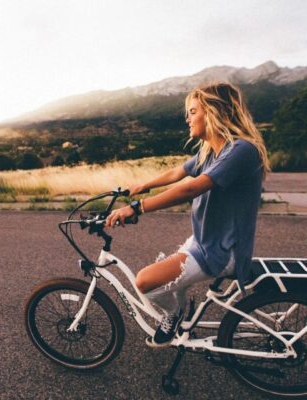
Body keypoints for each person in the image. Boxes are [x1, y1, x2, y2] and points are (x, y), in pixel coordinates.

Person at [105, 82, 270, 347]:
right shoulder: (212, 152)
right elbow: (178, 172)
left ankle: (173, 314)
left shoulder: (241, 151)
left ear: (215, 112)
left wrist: (137, 207)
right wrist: (144, 185)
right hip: (204, 241)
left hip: (223, 250)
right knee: (169, 277)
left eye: (193, 111)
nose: (187, 118)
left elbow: (191, 187)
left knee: (145, 281)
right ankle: (180, 314)